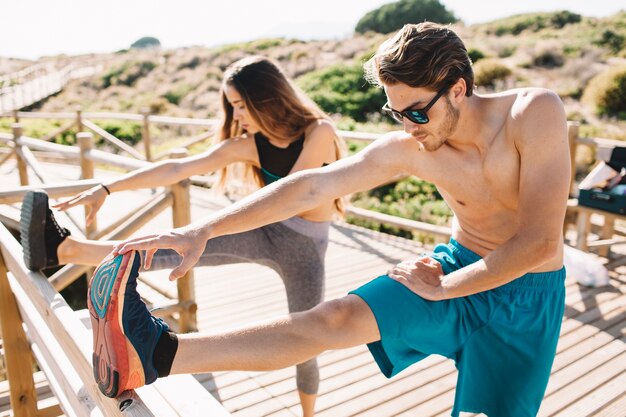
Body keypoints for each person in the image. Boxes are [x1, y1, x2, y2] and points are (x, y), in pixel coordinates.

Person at [88, 22, 571, 417]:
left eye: (416, 113)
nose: (406, 127)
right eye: (395, 112)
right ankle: (157, 353)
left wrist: (444, 287)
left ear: (459, 89)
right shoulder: (411, 147)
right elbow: (311, 185)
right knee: (333, 318)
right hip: (452, 267)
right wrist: (205, 229)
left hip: (525, 296)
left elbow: (540, 243)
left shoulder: (533, 113)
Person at [19, 55, 345, 417]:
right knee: (175, 249)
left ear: (267, 98)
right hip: (265, 229)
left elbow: (295, 194)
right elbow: (178, 167)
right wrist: (108, 186)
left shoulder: (319, 132)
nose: (236, 116)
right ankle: (65, 250)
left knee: (308, 337)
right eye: (232, 106)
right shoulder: (251, 144)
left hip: (304, 247)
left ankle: (308, 414)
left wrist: (211, 227)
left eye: (240, 105)